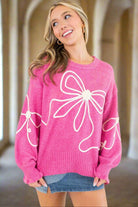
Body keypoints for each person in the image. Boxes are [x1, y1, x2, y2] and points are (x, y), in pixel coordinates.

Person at [15, 0, 122, 206]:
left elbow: (110, 121)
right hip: (47, 169)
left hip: (88, 168)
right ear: (53, 33)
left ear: (82, 21)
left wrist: (106, 164)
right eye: (54, 23)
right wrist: (28, 167)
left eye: (66, 16)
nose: (61, 25)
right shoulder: (44, 70)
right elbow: (30, 118)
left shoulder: (105, 72)